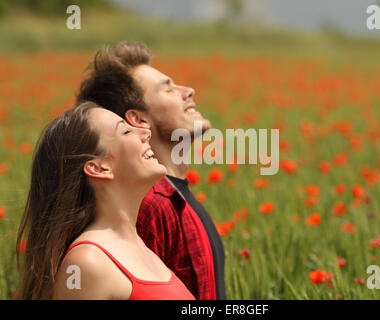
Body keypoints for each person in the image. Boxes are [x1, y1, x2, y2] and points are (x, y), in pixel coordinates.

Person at [76, 41, 226, 300]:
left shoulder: (174, 197)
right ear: (139, 120)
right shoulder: (149, 205)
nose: (188, 90)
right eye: (168, 89)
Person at [15, 102, 195, 300]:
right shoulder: (86, 263)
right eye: (126, 131)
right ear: (99, 168)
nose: (146, 131)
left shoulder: (144, 249)